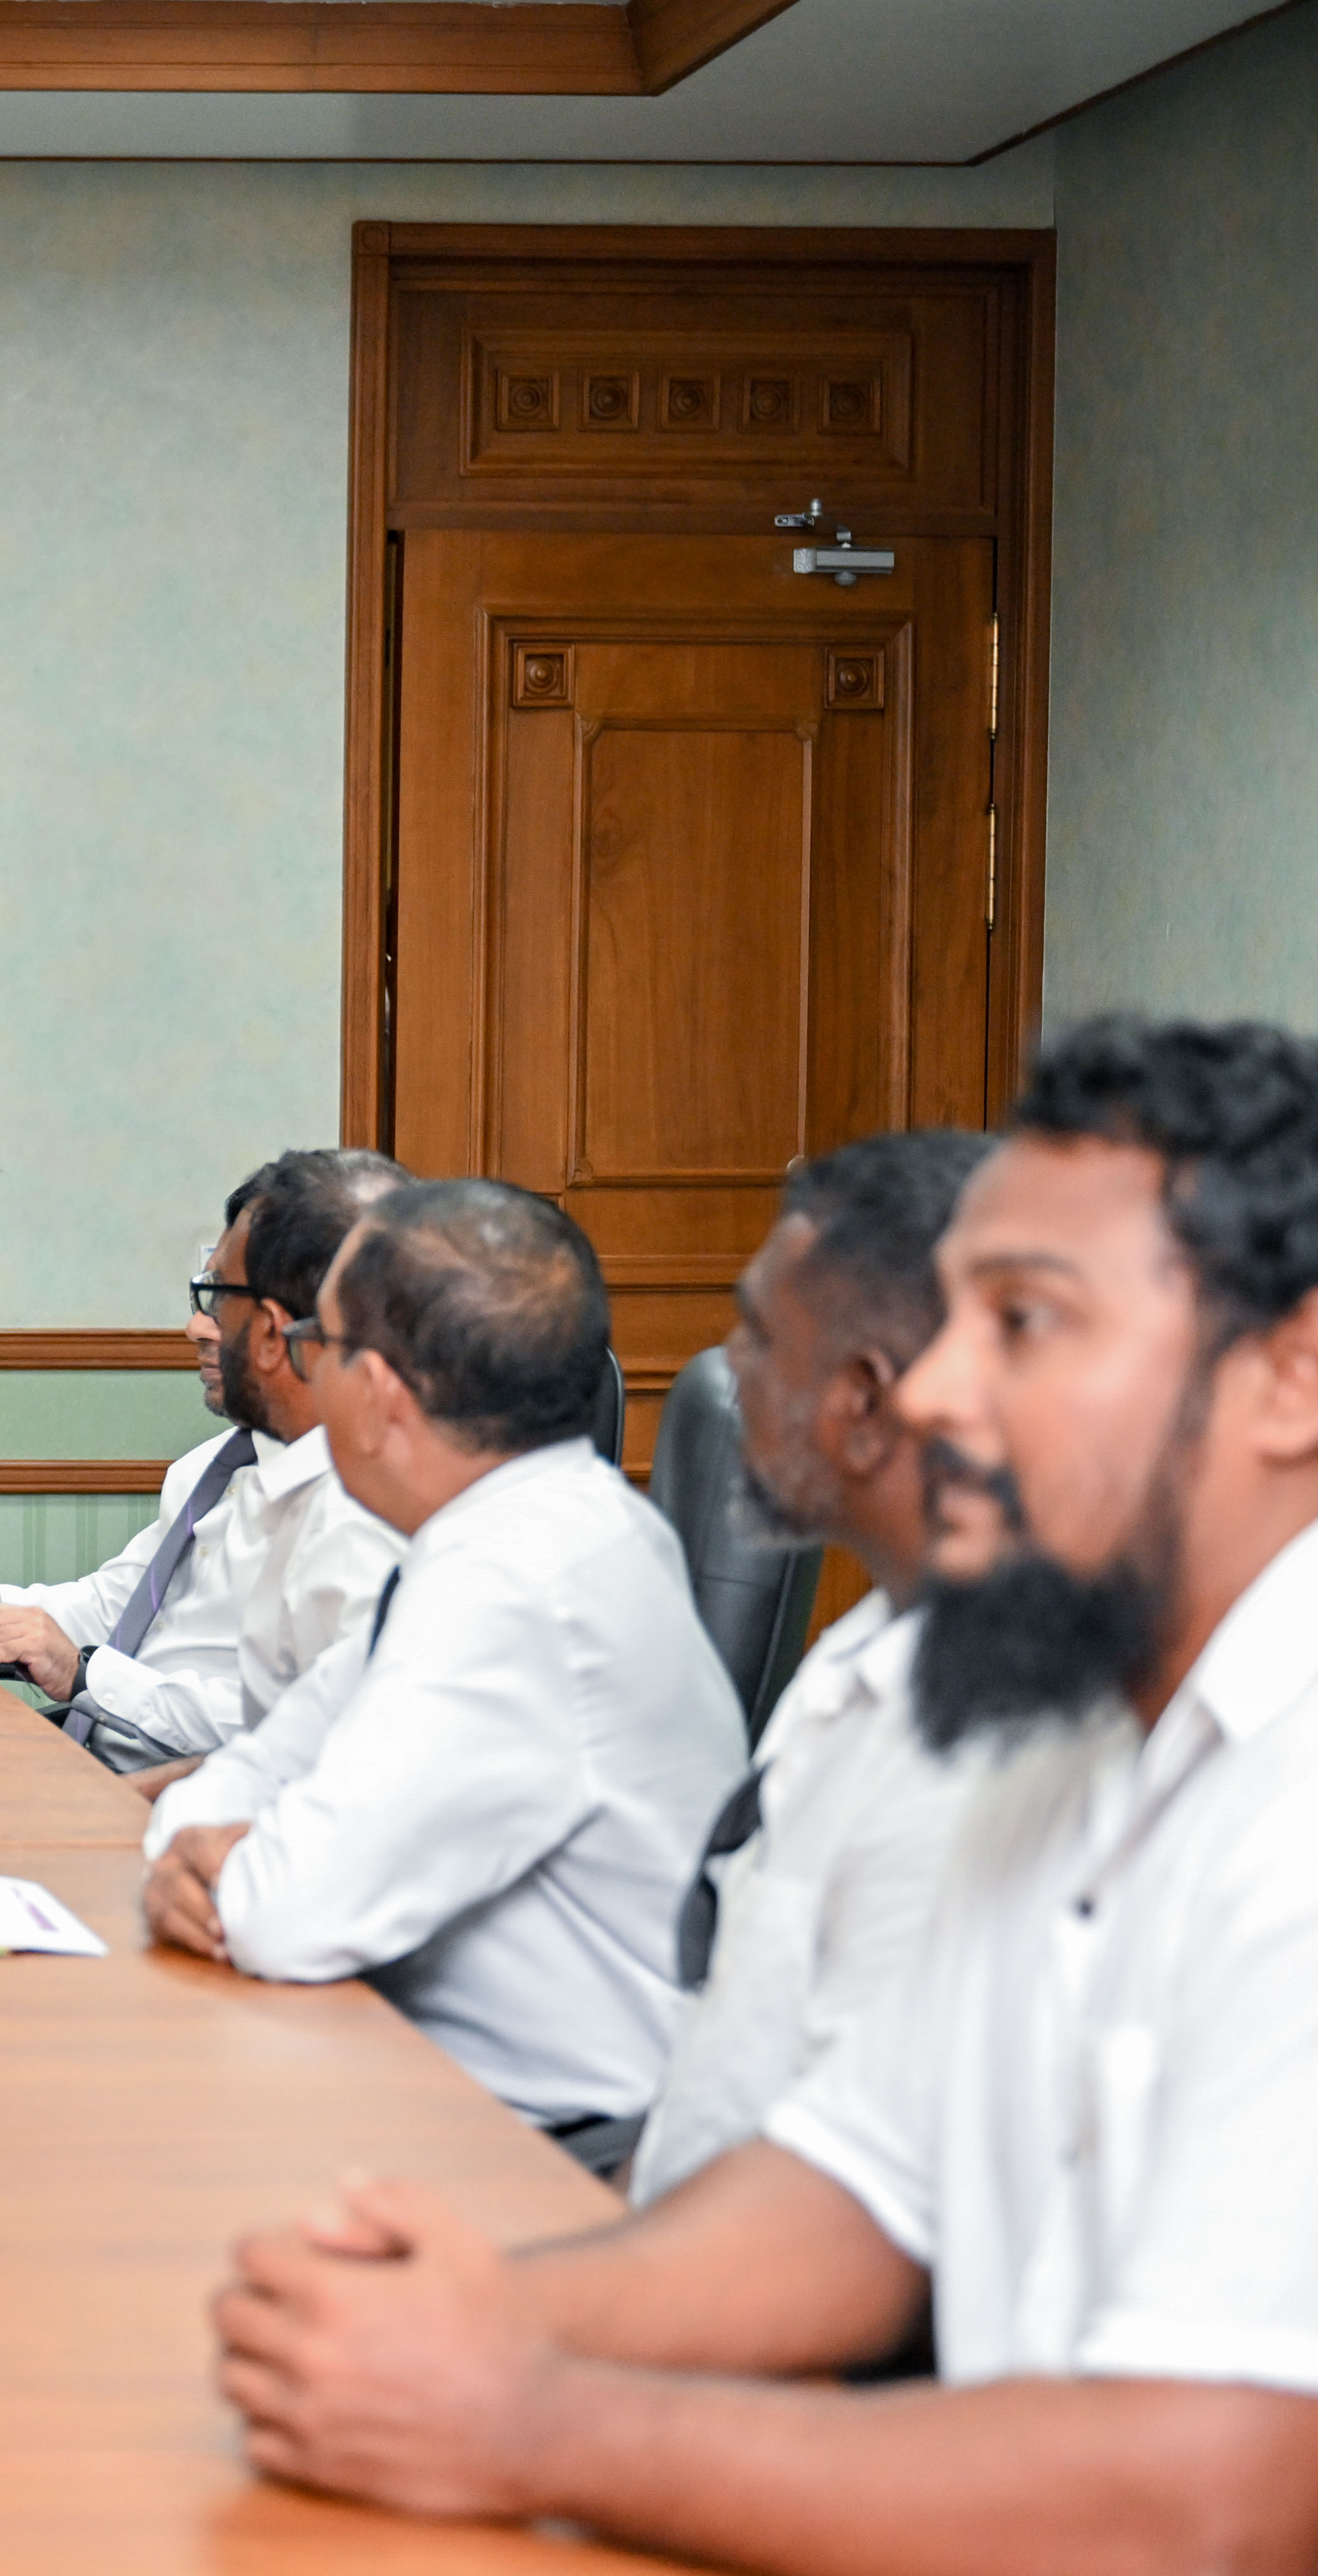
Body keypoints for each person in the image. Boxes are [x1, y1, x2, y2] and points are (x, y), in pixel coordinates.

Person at [200, 1018, 1318, 2575]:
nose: (931, 1393)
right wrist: (478, 2304)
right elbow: (857, 2182)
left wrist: (523, 2413)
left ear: (1288, 1373)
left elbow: (1215, 2491)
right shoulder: (1058, 1724)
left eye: (1026, 1322)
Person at [141, 1180, 744, 2175]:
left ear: (376, 1394)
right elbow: (253, 1771)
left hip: (553, 2158)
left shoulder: (520, 1581)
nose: (298, 1377)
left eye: (312, 1349)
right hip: (415, 2080)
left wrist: (219, 1864)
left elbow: (284, 1910)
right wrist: (205, 1845)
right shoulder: (498, 1535)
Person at [630, 1131, 989, 2204]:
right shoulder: (857, 1655)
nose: (727, 1368)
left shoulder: (972, 1741)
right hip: (680, 2213)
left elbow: (854, 2199)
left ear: (864, 1397)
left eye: (757, 1335)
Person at [0, 1151, 410, 1774]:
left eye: (216, 1298)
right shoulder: (221, 1468)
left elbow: (296, 1737)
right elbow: (115, 1606)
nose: (196, 1329)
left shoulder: (364, 1515)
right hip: (106, 1762)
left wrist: (88, 1675)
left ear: (268, 1330)